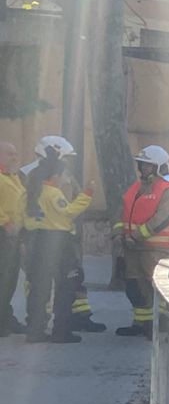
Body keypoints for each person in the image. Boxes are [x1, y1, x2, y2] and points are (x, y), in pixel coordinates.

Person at [21, 137, 93, 343]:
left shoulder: (30, 189)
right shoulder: (53, 193)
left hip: (34, 240)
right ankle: (61, 331)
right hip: (58, 242)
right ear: (55, 173)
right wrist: (87, 195)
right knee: (66, 286)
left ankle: (34, 331)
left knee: (38, 289)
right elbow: (68, 212)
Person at [113, 144, 169, 337]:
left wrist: (136, 235)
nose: (144, 169)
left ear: (159, 167)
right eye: (142, 165)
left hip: (155, 249)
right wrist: (118, 234)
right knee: (135, 287)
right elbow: (122, 212)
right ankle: (141, 323)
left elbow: (162, 219)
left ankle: (162, 325)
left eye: (148, 165)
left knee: (157, 288)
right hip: (132, 248)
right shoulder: (135, 188)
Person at [0, 140, 23, 335]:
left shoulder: (12, 176)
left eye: (15, 153)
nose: (14, 157)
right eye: (9, 153)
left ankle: (6, 317)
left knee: (10, 279)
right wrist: (6, 223)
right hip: (3, 232)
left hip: (14, 234)